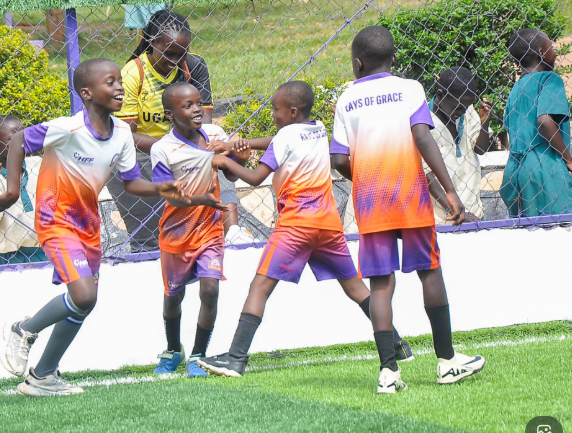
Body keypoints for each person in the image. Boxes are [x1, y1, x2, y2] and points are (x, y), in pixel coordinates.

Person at [0, 58, 187, 397]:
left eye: (119, 81)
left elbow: (132, 182)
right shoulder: (68, 128)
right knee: (83, 294)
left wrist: (160, 188)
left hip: (88, 225)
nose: (119, 87)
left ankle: (42, 376)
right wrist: (12, 191)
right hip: (55, 219)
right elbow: (17, 140)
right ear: (87, 93)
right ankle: (23, 329)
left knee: (84, 302)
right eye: (111, 82)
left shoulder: (122, 133)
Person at [198, 81, 413, 379]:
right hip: (328, 226)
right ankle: (398, 345)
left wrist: (224, 159)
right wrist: (235, 145)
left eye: (276, 110)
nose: (273, 114)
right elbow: (280, 139)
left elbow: (255, 177)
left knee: (259, 287)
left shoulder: (285, 137)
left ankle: (235, 359)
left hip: (296, 226)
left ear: (292, 111)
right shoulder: (318, 128)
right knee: (355, 288)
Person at [328, 26, 485, 393]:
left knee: (380, 284)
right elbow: (422, 137)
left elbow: (338, 159)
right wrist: (450, 191)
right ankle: (447, 362)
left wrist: (366, 178)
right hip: (411, 198)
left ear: (357, 63)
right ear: (394, 59)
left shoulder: (346, 98)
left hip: (371, 204)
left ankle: (388, 372)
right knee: (429, 272)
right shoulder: (411, 88)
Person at [109, 10, 254, 253]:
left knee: (213, 144)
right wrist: (170, 147)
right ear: (153, 42)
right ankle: (146, 244)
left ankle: (231, 230)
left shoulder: (194, 66)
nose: (176, 60)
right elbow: (126, 134)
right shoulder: (134, 73)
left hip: (189, 140)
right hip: (147, 149)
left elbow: (204, 121)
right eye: (169, 53)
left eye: (182, 53)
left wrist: (190, 147)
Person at [149, 82, 248, 377]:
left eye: (199, 103)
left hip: (210, 230)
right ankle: (173, 349)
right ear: (170, 114)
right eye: (188, 105)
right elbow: (168, 196)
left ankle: (198, 356)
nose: (197, 110)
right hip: (177, 233)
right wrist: (199, 198)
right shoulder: (163, 149)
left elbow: (230, 173)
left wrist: (240, 159)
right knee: (173, 297)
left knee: (210, 290)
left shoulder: (215, 135)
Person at [500, 28, 572, 217]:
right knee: (560, 228)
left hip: (516, 171)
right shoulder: (550, 79)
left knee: (531, 230)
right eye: (551, 47)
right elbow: (544, 121)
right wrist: (569, 160)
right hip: (547, 168)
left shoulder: (515, 90)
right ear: (541, 52)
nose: (555, 53)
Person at [0, 115, 47, 265]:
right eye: (14, 139)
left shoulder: (38, 165)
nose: (23, 143)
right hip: (13, 256)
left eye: (24, 137)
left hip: (47, 248)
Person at [426, 66, 494, 224]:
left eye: (466, 107)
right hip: (442, 218)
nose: (462, 111)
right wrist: (456, 212)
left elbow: (480, 149)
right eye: (457, 107)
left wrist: (484, 123)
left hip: (474, 211)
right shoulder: (424, 122)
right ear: (440, 95)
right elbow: (426, 174)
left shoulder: (467, 112)